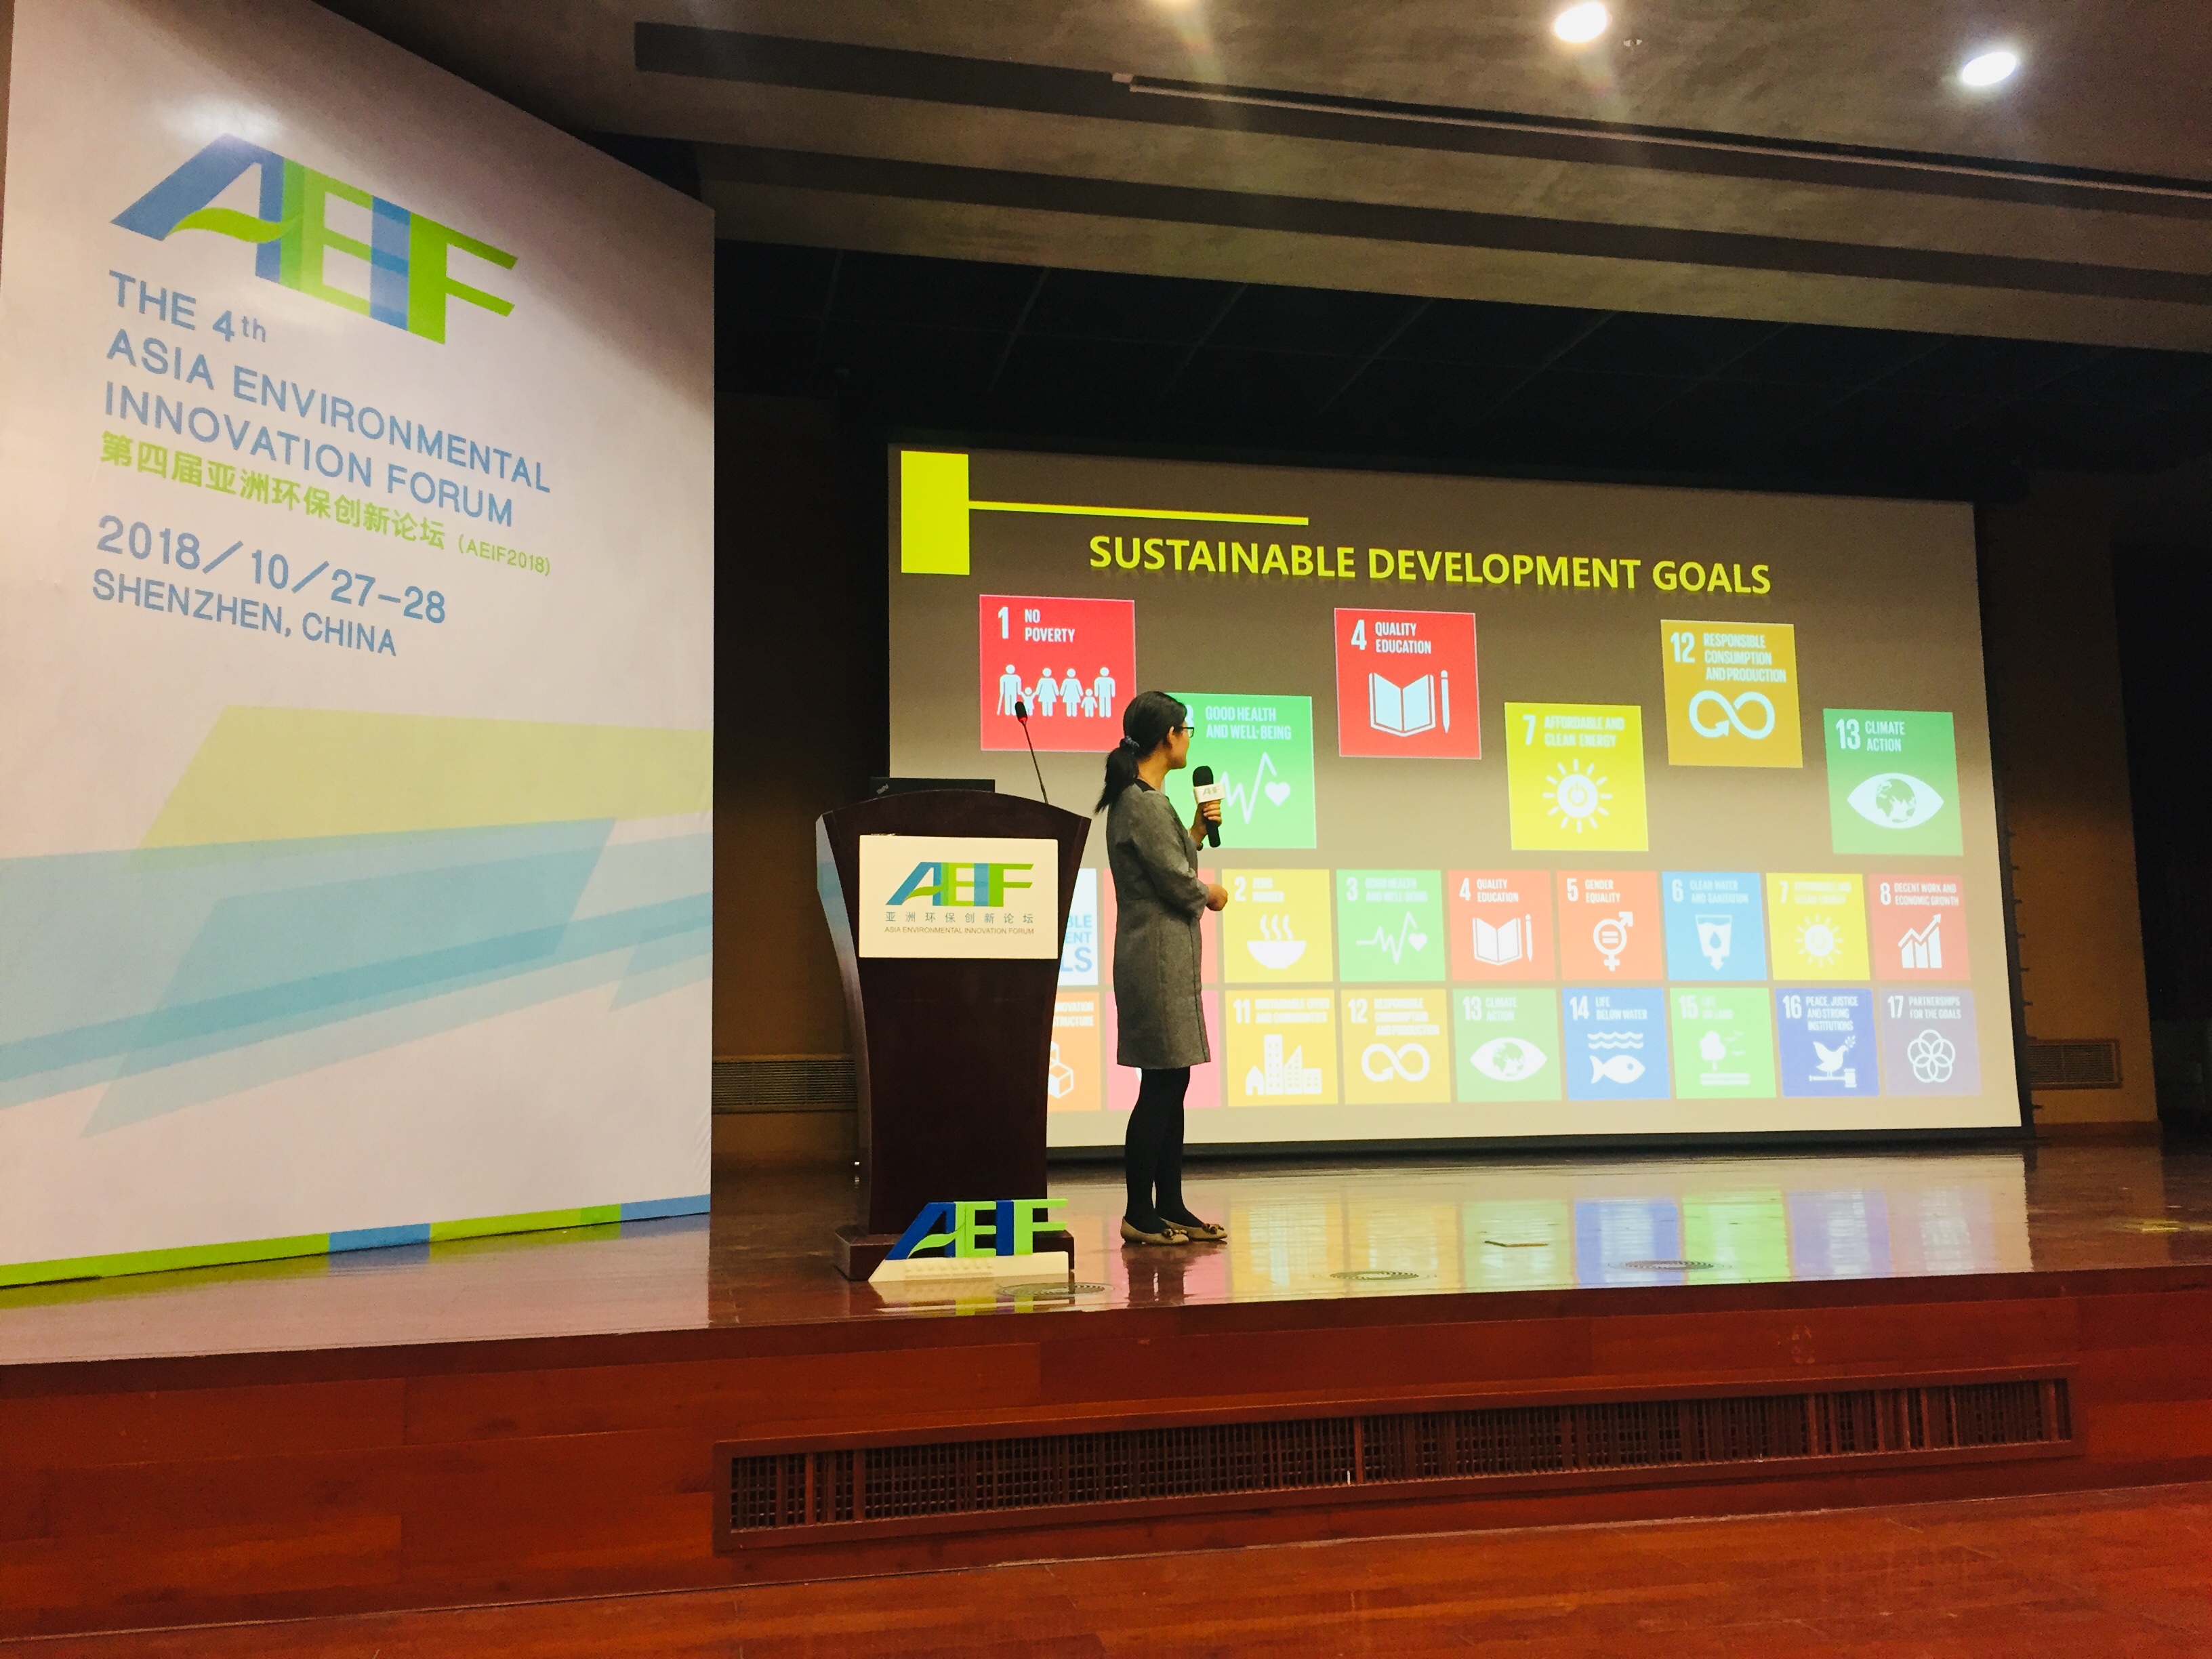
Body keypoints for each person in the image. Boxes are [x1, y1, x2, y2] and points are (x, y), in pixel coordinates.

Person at [1097, 691, 1230, 1246]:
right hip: (1153, 956)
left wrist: (1196, 833)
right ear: (1167, 737)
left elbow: (1167, 862)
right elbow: (1176, 882)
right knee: (1161, 1081)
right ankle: (1139, 1211)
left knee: (1173, 1078)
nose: (1188, 739)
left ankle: (1170, 1204)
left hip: (1163, 953)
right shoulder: (1143, 802)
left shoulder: (1146, 800)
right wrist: (1212, 894)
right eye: (1185, 729)